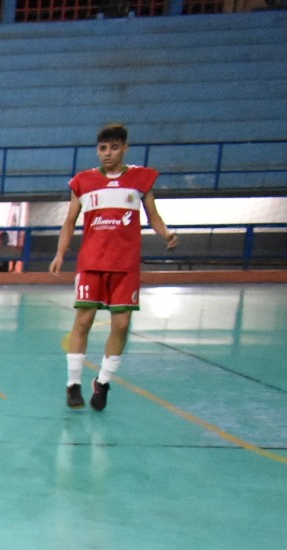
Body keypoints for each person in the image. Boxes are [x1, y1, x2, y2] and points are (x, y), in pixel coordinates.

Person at [48, 123, 178, 411]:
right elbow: (69, 220)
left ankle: (103, 382)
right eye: (103, 148)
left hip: (125, 265)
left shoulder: (141, 179)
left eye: (114, 147)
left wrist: (166, 233)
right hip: (92, 263)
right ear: (97, 150)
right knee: (83, 321)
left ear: (125, 148)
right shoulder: (82, 182)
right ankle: (73, 384)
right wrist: (60, 253)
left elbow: (153, 215)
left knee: (121, 324)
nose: (107, 153)